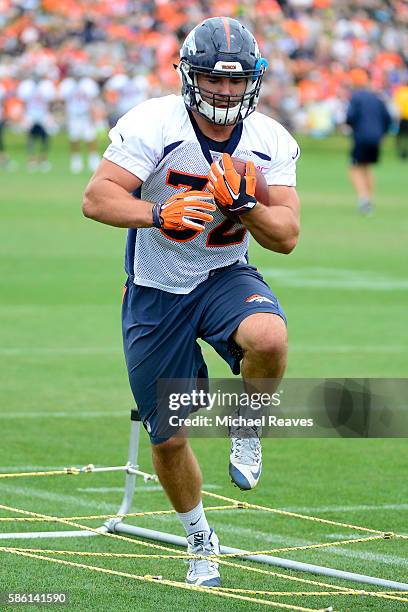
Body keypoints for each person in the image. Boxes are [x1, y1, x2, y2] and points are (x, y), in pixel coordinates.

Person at [82, 17, 300, 587]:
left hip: (224, 274)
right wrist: (159, 213)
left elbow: (287, 234)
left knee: (270, 338)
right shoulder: (155, 123)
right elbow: (97, 198)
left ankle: (247, 425)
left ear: (254, 80)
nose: (226, 91)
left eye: (237, 81)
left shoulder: (268, 138)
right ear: (189, 75)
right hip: (156, 287)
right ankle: (200, 534)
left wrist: (246, 207)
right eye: (213, 79)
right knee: (171, 436)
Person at [346, 69, 391, 215]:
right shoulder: (377, 97)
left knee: (354, 167)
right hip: (376, 137)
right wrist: (383, 133)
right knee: (366, 167)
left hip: (361, 137)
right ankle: (369, 199)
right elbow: (387, 118)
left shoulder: (356, 97)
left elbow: (350, 117)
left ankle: (363, 199)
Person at [59, 66, 101, 174]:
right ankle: (76, 161)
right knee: (74, 139)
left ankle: (93, 161)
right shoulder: (67, 84)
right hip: (73, 115)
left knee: (90, 138)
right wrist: (65, 115)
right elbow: (63, 101)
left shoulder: (88, 84)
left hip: (86, 114)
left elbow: (93, 100)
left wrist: (93, 115)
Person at [17, 73, 56, 172]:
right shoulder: (27, 85)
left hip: (43, 113)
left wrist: (49, 114)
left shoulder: (46, 85)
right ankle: (31, 159)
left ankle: (43, 159)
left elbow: (51, 100)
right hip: (31, 113)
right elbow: (22, 100)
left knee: (45, 137)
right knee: (31, 137)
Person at [393, 77, 408, 160]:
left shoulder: (400, 92)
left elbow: (397, 106)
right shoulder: (401, 92)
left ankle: (401, 152)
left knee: (400, 136)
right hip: (404, 117)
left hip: (402, 118)